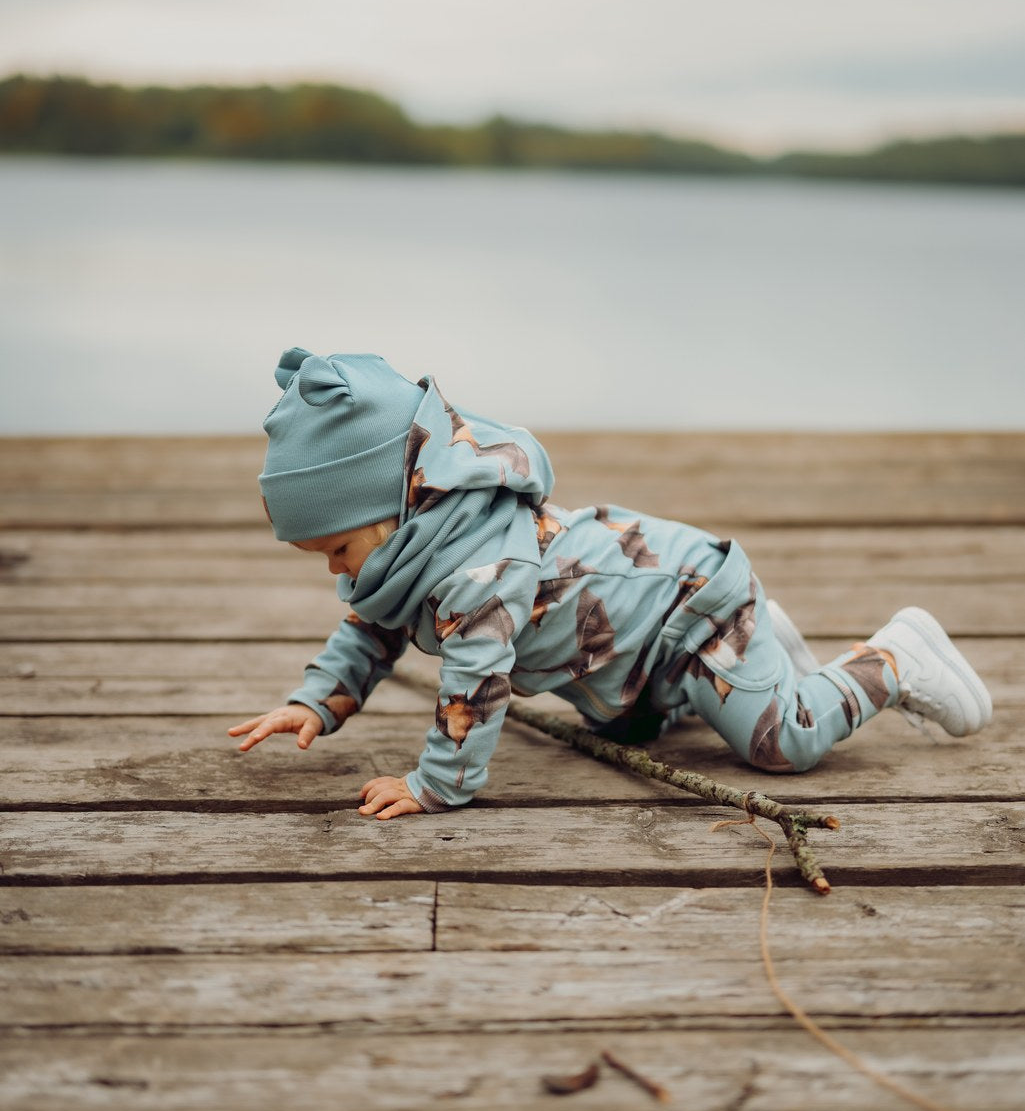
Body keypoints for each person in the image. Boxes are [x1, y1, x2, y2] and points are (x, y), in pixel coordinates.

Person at [229, 349, 993, 819]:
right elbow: (369, 628)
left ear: (396, 506)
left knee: (779, 745)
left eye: (336, 548)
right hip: (638, 651)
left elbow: (474, 686)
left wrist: (435, 786)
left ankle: (892, 659)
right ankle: (741, 665)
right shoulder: (412, 554)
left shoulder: (480, 574)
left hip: (692, 604)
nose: (335, 571)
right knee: (620, 725)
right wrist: (311, 703)